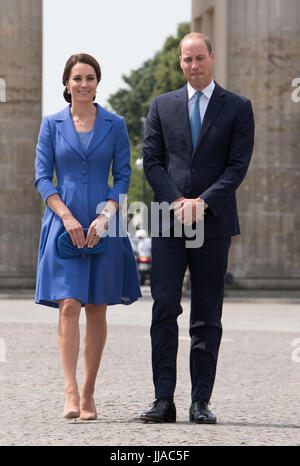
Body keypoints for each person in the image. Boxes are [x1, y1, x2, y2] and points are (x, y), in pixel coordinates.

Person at [140, 33, 255, 424]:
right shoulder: (161, 105)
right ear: (180, 62)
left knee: (207, 314)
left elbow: (237, 166)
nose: (194, 65)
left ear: (212, 58)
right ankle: (162, 400)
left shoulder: (238, 107)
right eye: (187, 59)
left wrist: (202, 203)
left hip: (213, 219)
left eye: (200, 58)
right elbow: (151, 160)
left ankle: (200, 402)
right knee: (163, 308)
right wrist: (176, 202)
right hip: (167, 220)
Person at [34, 53, 141, 420]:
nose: (84, 84)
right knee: (68, 305)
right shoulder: (51, 124)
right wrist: (64, 216)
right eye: (77, 78)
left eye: (90, 77)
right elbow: (42, 177)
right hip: (62, 223)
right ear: (66, 83)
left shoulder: (115, 124)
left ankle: (89, 393)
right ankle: (69, 392)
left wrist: (106, 214)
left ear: (98, 82)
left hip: (103, 224)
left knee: (96, 306)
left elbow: (124, 175)